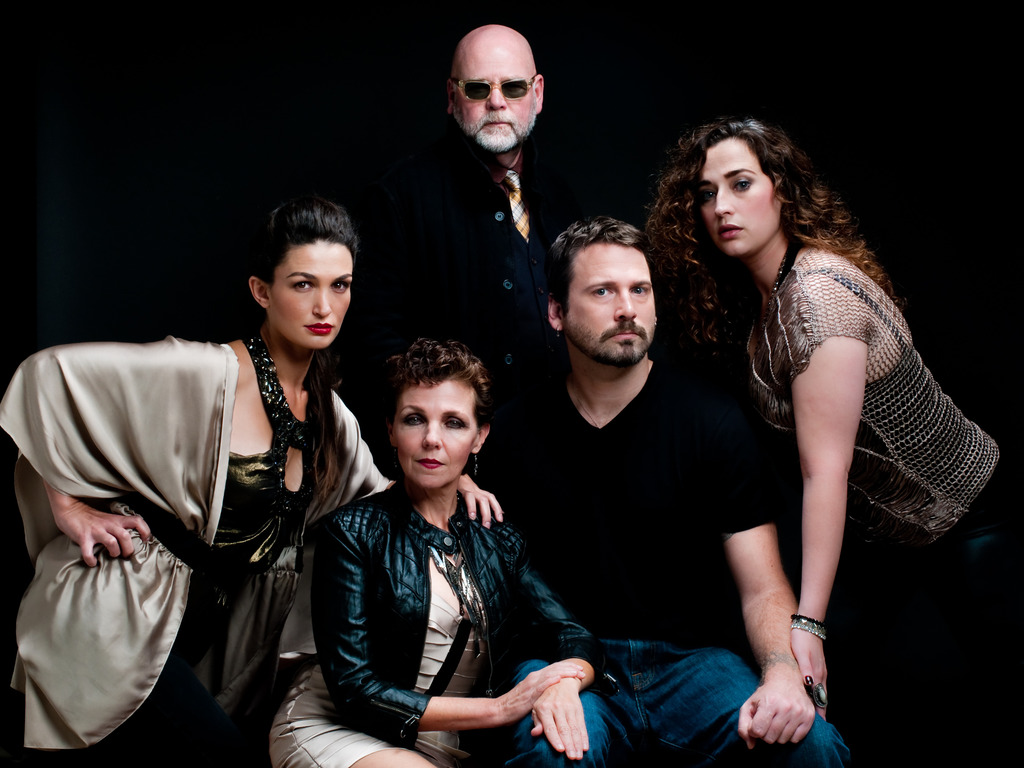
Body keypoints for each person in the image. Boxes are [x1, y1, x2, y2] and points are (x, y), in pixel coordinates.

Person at [0, 197, 489, 765]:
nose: (324, 306)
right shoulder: (206, 372)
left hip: (199, 645)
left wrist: (455, 480)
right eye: (303, 285)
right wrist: (69, 507)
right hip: (117, 620)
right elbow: (47, 377)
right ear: (262, 291)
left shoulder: (330, 417)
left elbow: (381, 493)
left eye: (340, 285)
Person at [645, 117, 1023, 747]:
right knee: (843, 691)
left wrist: (809, 621)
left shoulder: (817, 297)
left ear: (782, 189)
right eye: (707, 193)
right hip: (891, 535)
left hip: (970, 516)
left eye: (741, 183)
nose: (721, 207)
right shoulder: (768, 296)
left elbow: (826, 470)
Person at [480, 217, 849, 766]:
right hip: (566, 661)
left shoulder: (710, 419)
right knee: (555, 755)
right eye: (603, 292)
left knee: (809, 745)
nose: (626, 308)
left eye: (639, 290)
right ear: (555, 311)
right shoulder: (513, 433)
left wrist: (780, 673)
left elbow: (762, 588)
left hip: (692, 663)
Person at [269, 338, 607, 768]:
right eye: (414, 419)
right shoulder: (353, 532)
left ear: (479, 437)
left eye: (453, 423)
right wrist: (501, 709)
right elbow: (355, 690)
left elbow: (575, 634)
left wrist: (564, 683)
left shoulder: (500, 540)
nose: (432, 439)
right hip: (339, 729)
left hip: (442, 747)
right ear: (390, 430)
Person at [341, 24, 582, 466]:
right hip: (455, 467)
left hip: (560, 451)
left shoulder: (560, 194)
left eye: (513, 87)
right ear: (452, 97)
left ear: (537, 94)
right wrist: (444, 463)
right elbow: (374, 346)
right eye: (477, 89)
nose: (496, 102)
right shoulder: (397, 196)